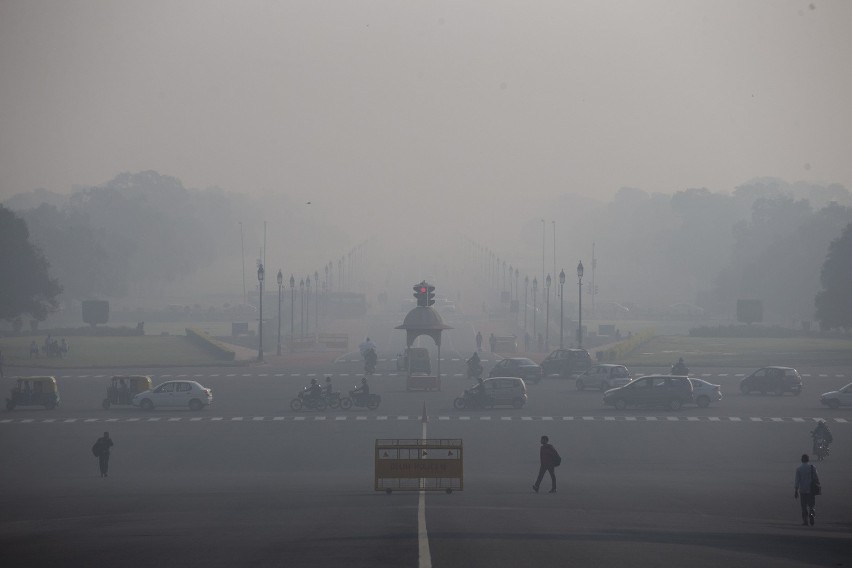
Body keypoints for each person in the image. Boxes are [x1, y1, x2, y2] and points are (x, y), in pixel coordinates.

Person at [794, 453, 820, 526]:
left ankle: (805, 521)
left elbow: (797, 481)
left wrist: (796, 491)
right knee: (811, 505)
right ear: (808, 460)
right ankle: (811, 515)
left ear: (802, 460)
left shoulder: (799, 469)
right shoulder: (813, 467)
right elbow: (817, 478)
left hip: (802, 490)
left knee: (803, 506)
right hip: (811, 490)